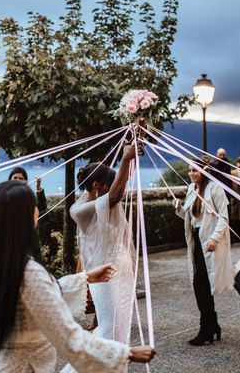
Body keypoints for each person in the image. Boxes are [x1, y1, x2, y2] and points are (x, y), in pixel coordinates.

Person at [0, 180, 156, 372]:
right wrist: (125, 353)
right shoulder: (28, 272)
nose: (37, 209)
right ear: (24, 217)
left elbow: (36, 296)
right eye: (33, 205)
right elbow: (69, 338)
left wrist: (84, 278)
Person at [68, 143, 138, 345]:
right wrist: (125, 159)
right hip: (100, 275)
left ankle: (107, 361)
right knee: (108, 325)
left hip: (117, 269)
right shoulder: (79, 210)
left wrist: (131, 155)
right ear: (97, 185)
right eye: (109, 183)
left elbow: (117, 191)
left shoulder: (101, 201)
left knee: (118, 324)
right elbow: (114, 196)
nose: (111, 187)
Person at [174, 158, 233, 345]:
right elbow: (191, 217)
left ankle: (206, 328)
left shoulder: (215, 189)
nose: (191, 173)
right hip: (197, 241)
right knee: (200, 285)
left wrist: (215, 239)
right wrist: (179, 209)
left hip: (210, 242)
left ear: (204, 171)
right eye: (189, 170)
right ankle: (212, 324)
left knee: (201, 285)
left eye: (195, 170)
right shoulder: (191, 189)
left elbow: (223, 216)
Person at [8, 167, 46, 262]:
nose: (18, 180)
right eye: (15, 178)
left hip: (31, 241)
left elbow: (42, 207)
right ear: (10, 179)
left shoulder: (29, 195)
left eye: (21, 179)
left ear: (25, 181)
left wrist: (38, 187)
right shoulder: (5, 196)